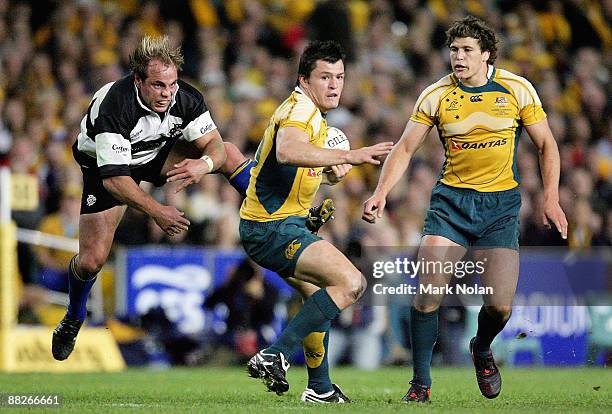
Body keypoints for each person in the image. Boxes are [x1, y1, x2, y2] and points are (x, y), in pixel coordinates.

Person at [362, 16, 567, 402]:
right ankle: (420, 385)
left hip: (500, 208)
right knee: (427, 291)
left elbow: (547, 145)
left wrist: (551, 197)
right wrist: (381, 192)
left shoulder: (517, 89)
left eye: (467, 50)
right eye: (454, 49)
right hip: (451, 205)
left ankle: (481, 347)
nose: (458, 56)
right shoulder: (436, 95)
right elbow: (405, 148)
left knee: (500, 307)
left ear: (486, 55)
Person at [52, 35, 227, 361]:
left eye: (171, 85)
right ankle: (74, 317)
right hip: (107, 168)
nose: (166, 94)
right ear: (138, 80)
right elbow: (117, 181)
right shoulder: (115, 105)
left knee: (226, 154)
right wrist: (158, 211)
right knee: (91, 260)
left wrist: (203, 165)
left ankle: (269, 209)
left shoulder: (185, 98)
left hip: (155, 153)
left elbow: (216, 145)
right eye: (158, 85)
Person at [239, 40, 393, 403]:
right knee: (352, 282)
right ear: (304, 79)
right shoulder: (299, 112)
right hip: (271, 228)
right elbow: (287, 150)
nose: (334, 84)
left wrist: (327, 174)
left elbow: (290, 170)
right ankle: (275, 353)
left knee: (319, 296)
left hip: (278, 225)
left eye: (339, 76)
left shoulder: (313, 117)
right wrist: (349, 155)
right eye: (325, 76)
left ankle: (320, 388)